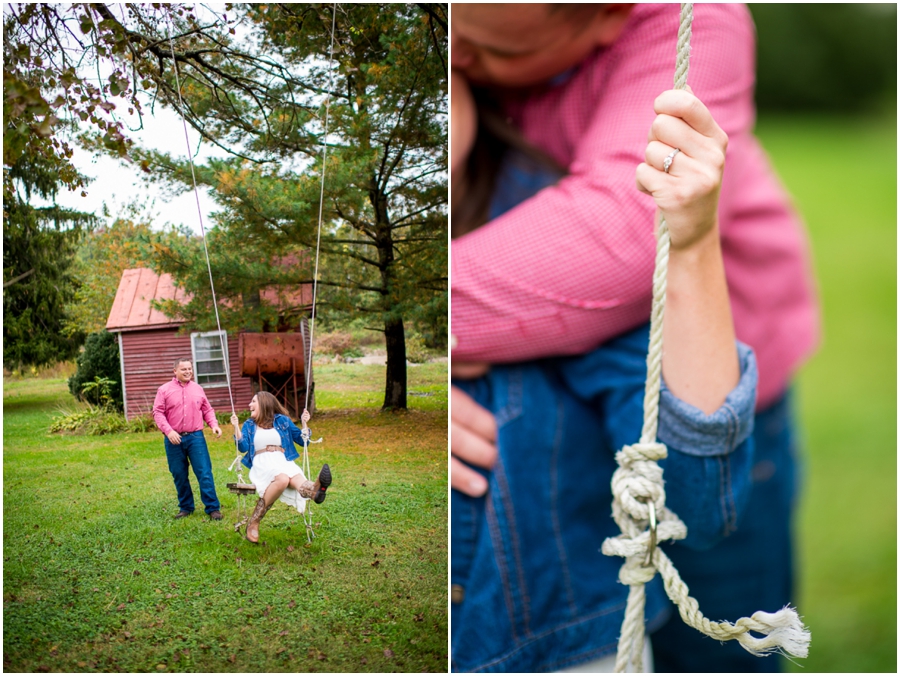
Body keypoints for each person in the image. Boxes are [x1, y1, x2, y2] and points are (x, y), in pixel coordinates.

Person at [450, 3, 819, 672]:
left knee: (714, 638)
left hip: (713, 380)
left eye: (484, 53)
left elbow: (622, 239)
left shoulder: (691, 22)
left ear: (608, 18)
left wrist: (422, 330)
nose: (453, 56)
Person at [230, 392, 332, 544]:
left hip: (282, 459)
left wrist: (304, 424)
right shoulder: (249, 425)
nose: (249, 405)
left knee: (295, 476)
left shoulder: (283, 421)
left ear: (264, 403)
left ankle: (314, 490)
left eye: (253, 402)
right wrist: (235, 428)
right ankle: (254, 522)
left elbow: (302, 440)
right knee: (283, 478)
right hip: (263, 462)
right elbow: (243, 446)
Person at [152, 358, 224, 520]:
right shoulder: (164, 390)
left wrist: (214, 424)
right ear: (175, 371)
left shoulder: (198, 389)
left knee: (204, 473)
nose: (188, 372)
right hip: (173, 439)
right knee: (179, 474)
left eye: (190, 369)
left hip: (195, 437)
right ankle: (186, 508)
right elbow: (158, 413)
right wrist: (169, 431)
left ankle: (213, 508)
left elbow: (207, 409)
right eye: (184, 369)